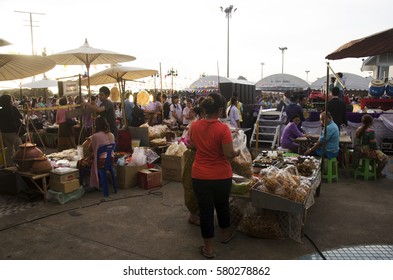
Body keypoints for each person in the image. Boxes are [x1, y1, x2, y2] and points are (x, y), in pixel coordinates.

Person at [189, 93, 240, 259]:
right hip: (221, 176)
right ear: (219, 109)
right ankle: (225, 235)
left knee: (205, 211)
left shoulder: (194, 126)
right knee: (222, 205)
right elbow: (229, 154)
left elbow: (192, 146)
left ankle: (209, 249)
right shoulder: (223, 129)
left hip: (200, 175)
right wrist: (237, 150)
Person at [77, 116, 115, 190]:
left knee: (80, 163)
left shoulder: (95, 136)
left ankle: (85, 183)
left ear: (96, 125)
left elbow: (90, 149)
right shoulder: (111, 135)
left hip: (100, 162)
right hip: (110, 160)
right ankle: (98, 180)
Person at [352, 114, 388, 178]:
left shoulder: (358, 129)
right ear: (371, 122)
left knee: (377, 155)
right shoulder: (370, 132)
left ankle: (374, 169)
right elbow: (374, 146)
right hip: (365, 152)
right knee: (385, 158)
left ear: (362, 121)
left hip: (358, 151)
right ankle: (378, 173)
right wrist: (378, 149)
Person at [0, 94, 23, 165]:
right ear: (9, 101)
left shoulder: (1, 111)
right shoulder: (13, 108)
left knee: (9, 148)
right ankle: (21, 163)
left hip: (4, 132)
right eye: (11, 100)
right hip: (13, 131)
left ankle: (9, 164)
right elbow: (21, 117)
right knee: (19, 146)